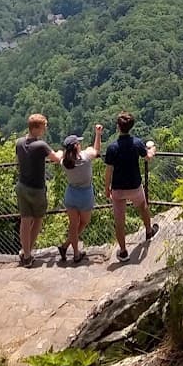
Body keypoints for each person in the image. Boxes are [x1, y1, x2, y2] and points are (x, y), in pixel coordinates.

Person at [102, 111, 158, 261]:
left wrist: (107, 188)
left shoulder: (112, 148)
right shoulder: (137, 143)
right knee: (143, 206)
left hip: (118, 188)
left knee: (119, 220)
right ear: (131, 126)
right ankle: (148, 231)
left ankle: (123, 250)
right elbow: (148, 157)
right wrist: (152, 149)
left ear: (117, 127)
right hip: (134, 185)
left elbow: (108, 171)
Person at [14, 114, 60, 266]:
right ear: (36, 128)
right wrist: (60, 153)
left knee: (25, 220)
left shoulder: (19, 143)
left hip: (22, 185)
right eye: (43, 127)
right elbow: (56, 158)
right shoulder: (41, 145)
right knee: (38, 219)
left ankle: (26, 253)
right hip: (37, 188)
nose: (45, 129)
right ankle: (27, 251)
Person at [56, 124, 102, 264]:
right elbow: (96, 150)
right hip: (85, 195)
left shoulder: (65, 162)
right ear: (76, 146)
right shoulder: (86, 157)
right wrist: (98, 134)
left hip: (71, 194)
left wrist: (59, 152)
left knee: (73, 224)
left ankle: (72, 251)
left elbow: (58, 156)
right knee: (84, 222)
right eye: (78, 142)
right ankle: (67, 247)